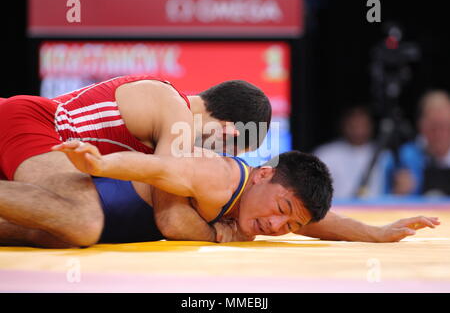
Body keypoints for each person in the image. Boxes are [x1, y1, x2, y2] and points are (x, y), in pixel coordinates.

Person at [0, 140, 439, 248]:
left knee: (59, 236)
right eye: (282, 212)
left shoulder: (268, 204)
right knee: (82, 225)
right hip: (76, 183)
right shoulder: (219, 177)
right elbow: (160, 172)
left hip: (80, 216)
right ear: (264, 175)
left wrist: (378, 234)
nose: (275, 227)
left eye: (290, 226)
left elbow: (322, 222)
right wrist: (101, 165)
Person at [0, 75, 272, 246]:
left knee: (61, 228)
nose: (213, 158)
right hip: (31, 122)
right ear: (229, 132)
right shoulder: (178, 119)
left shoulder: (172, 114)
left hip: (32, 135)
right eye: (226, 152)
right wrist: (219, 235)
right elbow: (171, 219)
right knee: (84, 221)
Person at [385, 90, 450, 196]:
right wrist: (397, 194)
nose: (439, 134)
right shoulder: (401, 158)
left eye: (445, 126)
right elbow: (379, 203)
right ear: (421, 125)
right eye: (433, 127)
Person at [314, 106, 384, 198]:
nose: (358, 131)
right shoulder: (326, 154)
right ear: (343, 125)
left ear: (371, 126)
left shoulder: (384, 154)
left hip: (377, 211)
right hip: (336, 210)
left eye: (362, 125)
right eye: (353, 126)